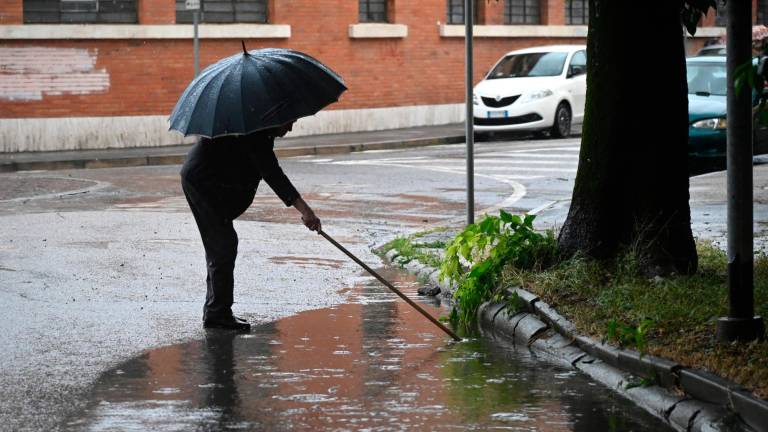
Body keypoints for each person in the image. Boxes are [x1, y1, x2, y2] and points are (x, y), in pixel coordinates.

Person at [180, 120, 320, 331]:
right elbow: (273, 174)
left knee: (221, 245)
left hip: (201, 177)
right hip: (203, 182)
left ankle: (215, 311)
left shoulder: (258, 131)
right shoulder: (255, 134)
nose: (290, 128)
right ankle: (218, 314)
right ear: (277, 118)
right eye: (289, 123)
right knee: (223, 245)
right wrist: (306, 211)